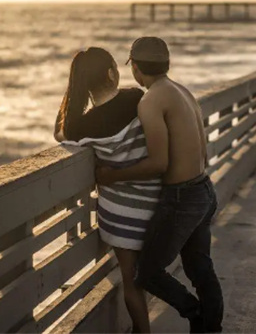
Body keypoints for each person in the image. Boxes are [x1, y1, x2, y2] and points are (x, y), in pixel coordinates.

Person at [96, 37, 224, 333]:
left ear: (136, 68)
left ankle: (196, 315)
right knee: (200, 269)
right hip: (204, 189)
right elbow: (202, 150)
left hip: (182, 198)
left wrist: (110, 176)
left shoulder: (151, 100)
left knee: (146, 274)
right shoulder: (182, 91)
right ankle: (211, 327)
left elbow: (159, 163)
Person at [54, 47, 156, 333]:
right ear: (112, 73)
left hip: (118, 214)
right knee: (147, 273)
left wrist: (72, 94)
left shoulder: (81, 127)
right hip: (152, 202)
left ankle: (142, 330)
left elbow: (58, 133)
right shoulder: (137, 100)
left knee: (130, 280)